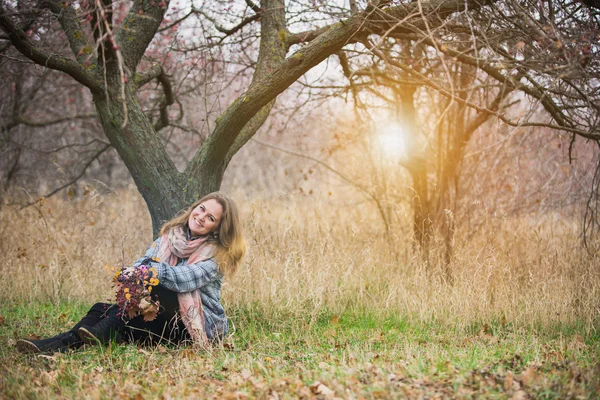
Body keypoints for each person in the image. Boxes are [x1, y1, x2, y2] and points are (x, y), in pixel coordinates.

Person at [16, 192, 246, 353]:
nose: (201, 217)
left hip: (195, 326)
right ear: (195, 207)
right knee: (102, 309)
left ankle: (98, 333)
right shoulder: (170, 237)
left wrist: (146, 271)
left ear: (218, 227)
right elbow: (143, 263)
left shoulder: (217, 254)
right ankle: (57, 344)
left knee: (159, 288)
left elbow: (183, 280)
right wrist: (132, 273)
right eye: (202, 209)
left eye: (211, 218)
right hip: (164, 319)